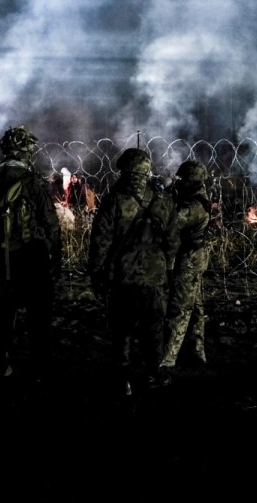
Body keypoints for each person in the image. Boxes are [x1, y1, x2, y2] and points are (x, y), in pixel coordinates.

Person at [89, 147, 180, 396]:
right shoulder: (163, 199)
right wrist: (167, 269)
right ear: (147, 171)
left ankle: (123, 380)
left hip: (123, 278)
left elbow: (101, 240)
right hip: (155, 277)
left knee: (122, 331)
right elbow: (173, 240)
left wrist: (96, 273)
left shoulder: (115, 199)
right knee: (153, 329)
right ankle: (153, 374)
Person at [0, 126, 62, 380]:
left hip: (3, 257)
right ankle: (40, 367)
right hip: (33, 257)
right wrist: (56, 257)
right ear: (27, 152)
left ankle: (1, 364)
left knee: (3, 315)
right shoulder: (33, 184)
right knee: (39, 316)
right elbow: (51, 224)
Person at [160, 160, 212, 375]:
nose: (178, 182)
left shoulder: (194, 205)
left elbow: (171, 222)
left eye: (182, 179)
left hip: (189, 259)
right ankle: (196, 352)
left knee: (179, 308)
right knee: (196, 307)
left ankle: (167, 360)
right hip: (193, 256)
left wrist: (162, 198)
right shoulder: (193, 198)